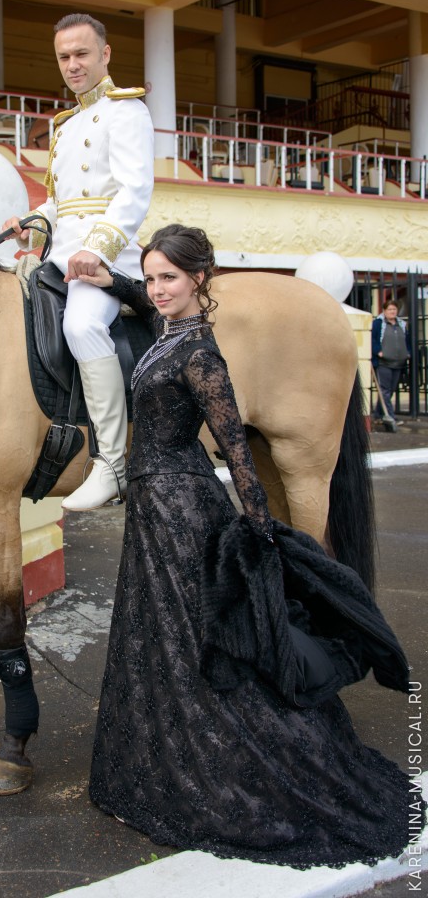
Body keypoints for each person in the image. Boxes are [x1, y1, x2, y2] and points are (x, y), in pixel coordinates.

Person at [80, 224, 417, 869]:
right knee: (162, 639)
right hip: (152, 509)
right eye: (150, 278)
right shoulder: (164, 330)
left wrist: (262, 528)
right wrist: (112, 281)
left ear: (199, 279)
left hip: (181, 506)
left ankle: (238, 756)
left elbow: (234, 443)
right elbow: (146, 301)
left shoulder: (201, 352)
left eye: (168, 278)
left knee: (197, 638)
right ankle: (161, 755)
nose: (156, 289)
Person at [3, 12, 154, 512]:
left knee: (83, 325)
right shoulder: (64, 127)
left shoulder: (125, 111)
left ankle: (111, 463)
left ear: (105, 54)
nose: (72, 65)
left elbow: (133, 192)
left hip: (108, 256)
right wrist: (33, 220)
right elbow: (62, 204)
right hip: (63, 253)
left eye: (81, 54)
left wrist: (99, 249)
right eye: (64, 57)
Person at [372, 298, 410, 427]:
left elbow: (407, 340)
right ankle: (391, 417)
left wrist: (407, 352)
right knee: (385, 391)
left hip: (398, 363)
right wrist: (378, 351)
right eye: (390, 309)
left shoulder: (402, 324)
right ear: (384, 311)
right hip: (384, 363)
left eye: (394, 309)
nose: (392, 311)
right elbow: (373, 339)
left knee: (390, 390)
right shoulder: (378, 323)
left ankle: (378, 415)